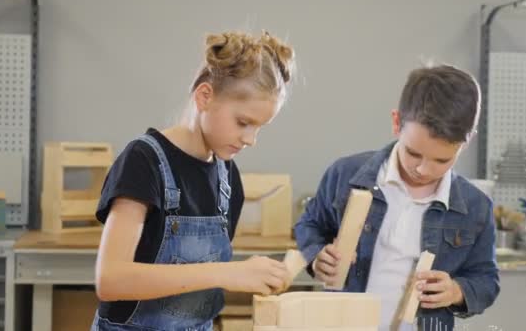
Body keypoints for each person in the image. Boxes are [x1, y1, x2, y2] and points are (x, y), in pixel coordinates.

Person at [91, 30, 296, 331]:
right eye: (243, 122)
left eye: (259, 128)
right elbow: (111, 280)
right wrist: (226, 273)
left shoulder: (228, 177)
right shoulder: (143, 161)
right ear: (205, 96)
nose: (250, 140)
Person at [294, 64, 499, 330]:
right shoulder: (345, 174)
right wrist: (317, 256)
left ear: (466, 142)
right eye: (414, 153)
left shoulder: (476, 208)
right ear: (396, 122)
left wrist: (456, 291)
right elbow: (308, 226)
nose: (424, 170)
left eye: (441, 160)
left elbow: (486, 280)